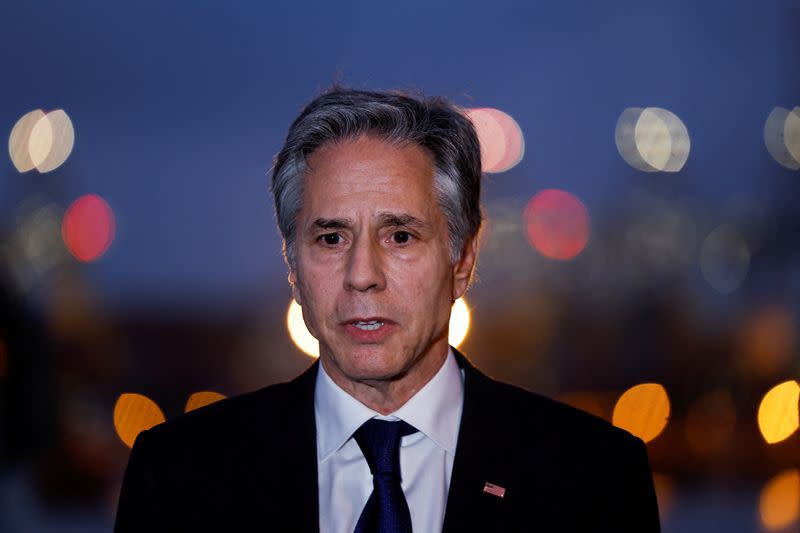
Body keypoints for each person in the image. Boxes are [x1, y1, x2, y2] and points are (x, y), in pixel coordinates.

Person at [115, 88, 660, 532]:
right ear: (292, 265)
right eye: (331, 238)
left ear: (463, 259)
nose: (362, 275)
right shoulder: (176, 477)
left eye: (399, 236)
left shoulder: (595, 480)